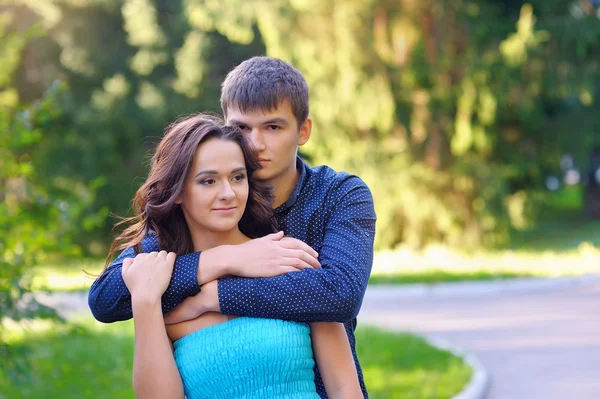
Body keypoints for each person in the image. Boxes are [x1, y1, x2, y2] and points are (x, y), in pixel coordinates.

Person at [89, 56, 376, 398]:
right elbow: (106, 298)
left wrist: (211, 297)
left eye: (273, 127)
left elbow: (338, 295)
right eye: (242, 128)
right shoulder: (183, 230)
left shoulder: (336, 197)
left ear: (303, 131)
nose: (255, 144)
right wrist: (226, 259)